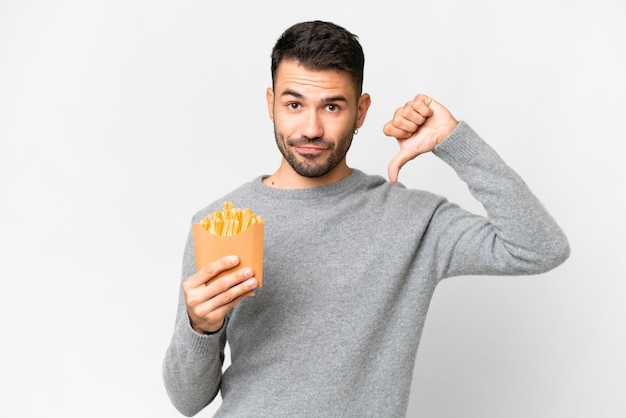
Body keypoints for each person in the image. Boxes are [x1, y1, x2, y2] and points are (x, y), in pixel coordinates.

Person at [162, 20, 570, 417]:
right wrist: (200, 327)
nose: (311, 128)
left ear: (360, 111)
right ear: (271, 105)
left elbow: (539, 248)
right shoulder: (220, 223)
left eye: (332, 107)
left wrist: (454, 141)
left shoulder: (414, 221)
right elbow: (187, 401)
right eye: (294, 104)